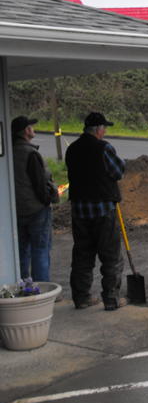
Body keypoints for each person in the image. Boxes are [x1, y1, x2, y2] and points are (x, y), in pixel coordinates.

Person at [65, 112, 127, 310]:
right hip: (102, 209)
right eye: (104, 128)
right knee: (111, 256)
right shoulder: (104, 148)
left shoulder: (72, 149)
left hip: (79, 210)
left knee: (82, 255)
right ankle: (111, 299)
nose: (105, 131)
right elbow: (118, 171)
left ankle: (81, 298)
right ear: (98, 129)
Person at [12, 116, 58, 282]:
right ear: (26, 130)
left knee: (22, 251)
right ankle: (42, 289)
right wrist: (47, 200)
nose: (33, 128)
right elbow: (39, 183)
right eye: (31, 126)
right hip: (37, 210)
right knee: (40, 250)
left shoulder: (10, 152)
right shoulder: (30, 153)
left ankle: (24, 285)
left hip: (17, 209)